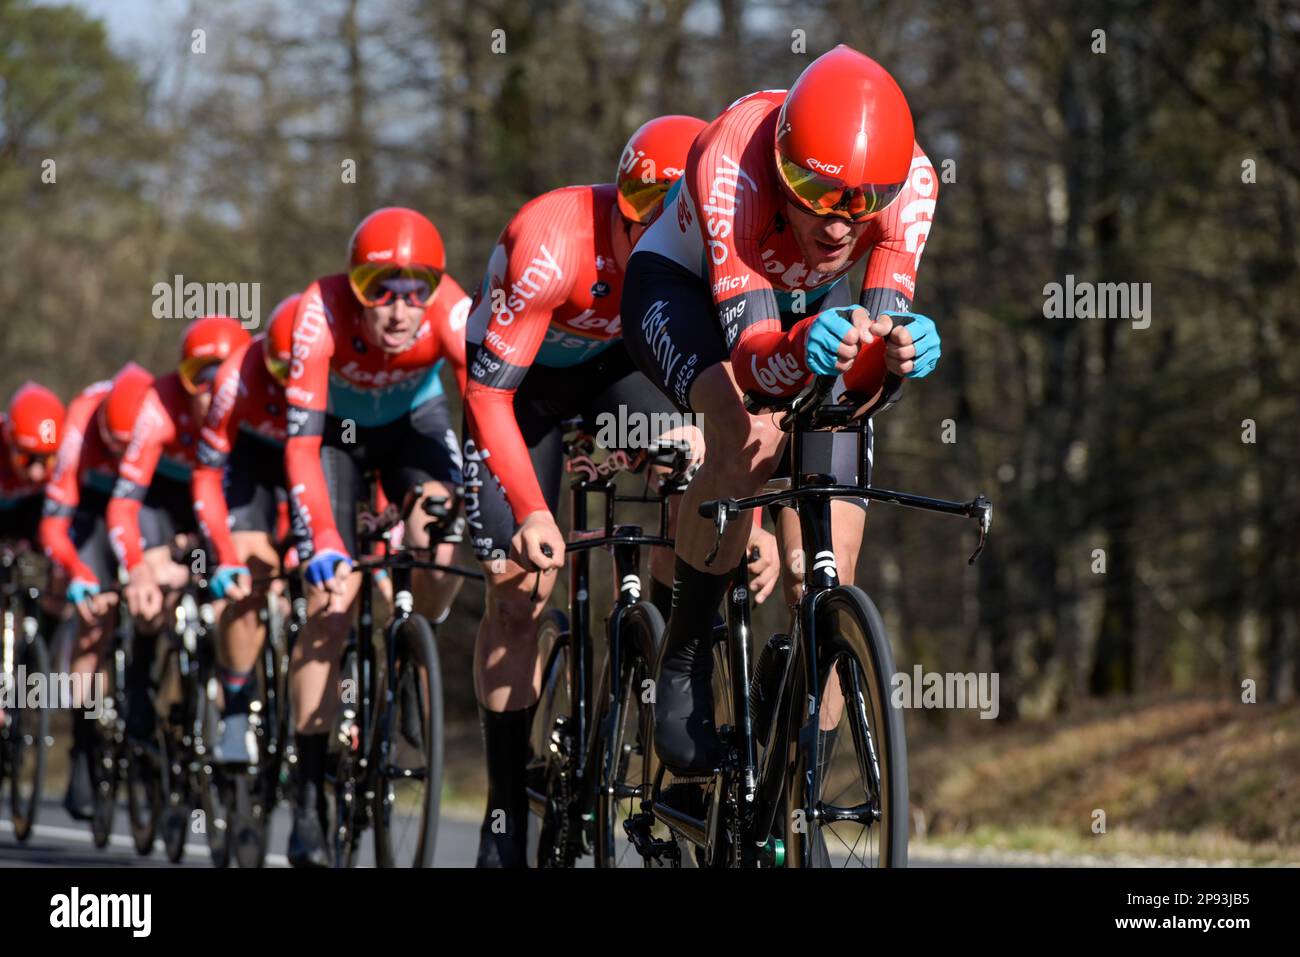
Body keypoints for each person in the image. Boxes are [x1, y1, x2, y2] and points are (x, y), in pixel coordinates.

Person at [460, 113, 780, 867]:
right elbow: (487, 396)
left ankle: (657, 695)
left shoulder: (712, 252)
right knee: (520, 586)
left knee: (686, 470)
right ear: (620, 201)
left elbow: (738, 421)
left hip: (620, 372)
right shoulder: (550, 238)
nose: (658, 227)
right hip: (522, 391)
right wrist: (535, 512)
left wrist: (749, 521)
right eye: (644, 209)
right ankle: (506, 803)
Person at [621, 46, 943, 774]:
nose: (838, 225)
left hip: (806, 309)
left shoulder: (914, 182)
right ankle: (686, 657)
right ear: (782, 161)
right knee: (750, 435)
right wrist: (804, 345)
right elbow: (757, 365)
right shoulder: (732, 158)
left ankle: (798, 778)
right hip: (687, 291)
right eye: (812, 190)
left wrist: (897, 357)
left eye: (862, 204)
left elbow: (866, 378)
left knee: (830, 561)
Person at [283, 206, 469, 867]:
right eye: (378, 290)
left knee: (443, 535)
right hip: (334, 438)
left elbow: (490, 403)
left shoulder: (452, 312)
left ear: (434, 289)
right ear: (353, 287)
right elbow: (301, 450)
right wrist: (326, 543)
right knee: (331, 604)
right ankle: (307, 791)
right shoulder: (319, 312)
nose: (397, 309)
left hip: (416, 420)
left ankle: (412, 647)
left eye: (414, 290)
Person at [191, 294, 300, 769]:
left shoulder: (340, 377)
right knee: (251, 570)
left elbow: (370, 456)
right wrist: (224, 555)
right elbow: (208, 476)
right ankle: (235, 713)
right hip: (252, 464)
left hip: (316, 452)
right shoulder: (234, 380)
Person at [38, 374, 126, 818]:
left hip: (143, 498)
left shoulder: (157, 418)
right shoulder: (79, 423)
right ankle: (82, 749)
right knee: (93, 622)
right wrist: (77, 572)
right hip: (91, 502)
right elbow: (55, 522)